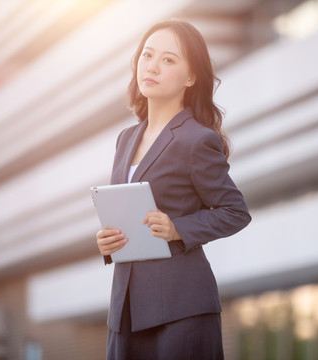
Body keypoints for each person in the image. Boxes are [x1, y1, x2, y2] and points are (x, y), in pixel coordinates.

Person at [96, 19, 251, 360]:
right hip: (126, 309)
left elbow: (235, 212)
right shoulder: (126, 139)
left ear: (191, 77)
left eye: (169, 60)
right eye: (147, 55)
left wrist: (178, 227)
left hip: (182, 309)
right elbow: (128, 213)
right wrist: (109, 241)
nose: (152, 66)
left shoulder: (197, 139)